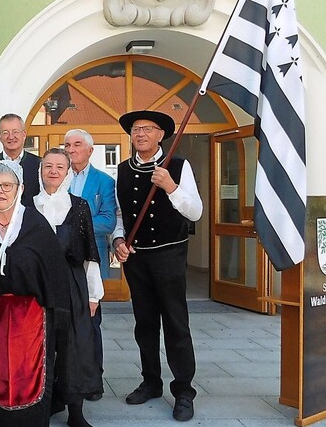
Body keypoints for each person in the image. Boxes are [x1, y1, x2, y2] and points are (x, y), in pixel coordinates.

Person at [112, 110, 202, 422]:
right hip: (137, 259)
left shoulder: (177, 166)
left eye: (147, 129)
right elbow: (120, 217)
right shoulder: (122, 171)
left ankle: (184, 391)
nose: (140, 134)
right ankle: (151, 382)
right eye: (136, 129)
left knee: (176, 324)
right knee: (145, 324)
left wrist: (171, 186)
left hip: (170, 256)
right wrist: (118, 241)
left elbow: (196, 212)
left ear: (160, 135)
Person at [0, 160, 69, 426]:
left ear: (20, 189)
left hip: (33, 319)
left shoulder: (36, 225)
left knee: (30, 378)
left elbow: (52, 274)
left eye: (7, 185)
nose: (0, 191)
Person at [34, 148, 103, 427]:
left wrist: (94, 293)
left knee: (74, 348)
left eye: (59, 167)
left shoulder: (80, 206)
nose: (53, 171)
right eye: (48, 165)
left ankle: (76, 412)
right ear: (40, 171)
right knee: (40, 348)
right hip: (36, 286)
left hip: (73, 284)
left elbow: (89, 252)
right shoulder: (27, 205)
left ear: (67, 172)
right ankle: (44, 405)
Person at [63, 128, 117, 401]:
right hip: (60, 263)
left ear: (90, 150)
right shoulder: (56, 176)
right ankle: (66, 378)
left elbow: (108, 221)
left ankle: (93, 378)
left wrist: (70, 228)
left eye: (77, 145)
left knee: (91, 322)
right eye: (67, 145)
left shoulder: (104, 182)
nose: (71, 150)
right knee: (64, 322)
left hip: (89, 262)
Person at [0, 114, 40, 206]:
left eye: (15, 132)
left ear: (24, 135)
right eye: (5, 133)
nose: (11, 137)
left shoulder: (38, 164)